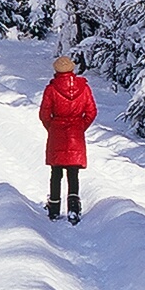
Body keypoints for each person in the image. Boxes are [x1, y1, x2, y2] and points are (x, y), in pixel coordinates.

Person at [38, 55, 97, 224]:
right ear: (72, 69)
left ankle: (54, 208)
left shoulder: (51, 88)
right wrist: (80, 126)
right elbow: (91, 111)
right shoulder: (84, 87)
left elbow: (44, 114)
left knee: (56, 173)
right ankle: (73, 209)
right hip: (75, 134)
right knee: (73, 173)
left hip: (57, 133)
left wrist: (53, 126)